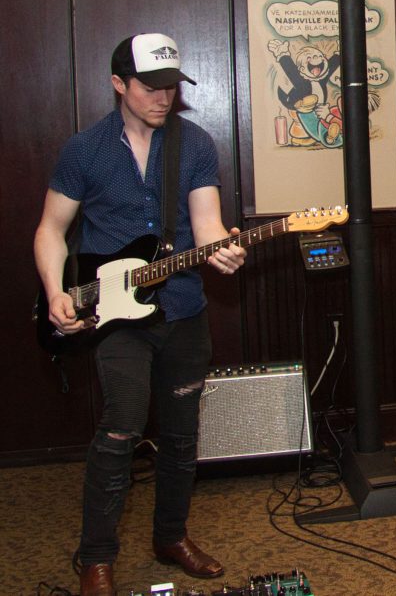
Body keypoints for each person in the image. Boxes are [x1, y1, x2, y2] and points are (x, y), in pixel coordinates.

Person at [33, 33, 247, 596]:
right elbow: (51, 229)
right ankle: (96, 559)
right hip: (115, 316)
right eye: (150, 87)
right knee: (121, 427)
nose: (163, 97)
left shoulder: (194, 144)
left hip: (183, 309)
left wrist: (222, 250)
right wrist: (55, 292)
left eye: (171, 87)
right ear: (118, 84)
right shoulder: (84, 150)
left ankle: (171, 537)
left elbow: (206, 225)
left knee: (181, 434)